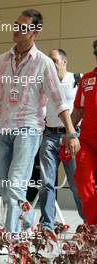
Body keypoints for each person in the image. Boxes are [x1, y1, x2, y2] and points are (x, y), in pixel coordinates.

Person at [0, 9, 80, 249]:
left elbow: (59, 101)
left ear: (35, 31)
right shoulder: (2, 59)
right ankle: (27, 222)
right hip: (3, 130)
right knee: (5, 188)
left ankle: (10, 239)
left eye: (23, 26)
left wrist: (70, 132)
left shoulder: (44, 63)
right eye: (16, 25)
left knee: (16, 183)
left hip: (29, 130)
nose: (17, 29)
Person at [39, 49, 84, 232]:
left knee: (76, 184)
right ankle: (47, 226)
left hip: (71, 137)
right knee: (46, 183)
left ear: (64, 62)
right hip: (49, 136)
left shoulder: (77, 79)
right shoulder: (44, 83)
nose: (51, 63)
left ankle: (89, 224)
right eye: (48, 60)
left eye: (55, 60)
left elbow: (85, 106)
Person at [71, 40, 97, 224]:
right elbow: (78, 110)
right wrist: (69, 134)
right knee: (82, 179)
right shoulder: (87, 79)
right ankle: (92, 225)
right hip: (87, 141)